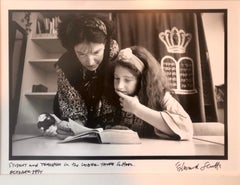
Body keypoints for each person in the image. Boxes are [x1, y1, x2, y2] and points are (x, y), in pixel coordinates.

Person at [43, 14, 119, 136]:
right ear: (73, 49)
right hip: (78, 125)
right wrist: (75, 129)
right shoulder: (65, 65)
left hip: (114, 128)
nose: (90, 62)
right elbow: (74, 111)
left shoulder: (118, 57)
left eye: (96, 52)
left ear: (106, 43)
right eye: (81, 54)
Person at [101, 46, 193, 140]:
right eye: (116, 78)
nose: (119, 86)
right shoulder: (107, 95)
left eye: (127, 80)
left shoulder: (160, 95)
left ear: (141, 80)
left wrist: (137, 109)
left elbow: (186, 129)